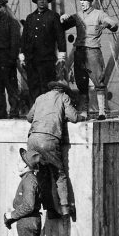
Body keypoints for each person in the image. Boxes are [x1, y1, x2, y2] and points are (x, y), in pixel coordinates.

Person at [26, 80, 84, 218]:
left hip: (32, 139)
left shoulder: (40, 98)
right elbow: (73, 117)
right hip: (49, 139)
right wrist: (82, 116)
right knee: (59, 174)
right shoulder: (64, 97)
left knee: (42, 174)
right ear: (63, 90)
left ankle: (50, 210)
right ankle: (64, 208)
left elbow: (29, 118)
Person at [60, 0, 119, 120]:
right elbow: (63, 27)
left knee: (99, 82)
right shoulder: (77, 16)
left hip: (93, 52)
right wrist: (62, 18)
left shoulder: (99, 14)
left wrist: (105, 25)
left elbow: (114, 25)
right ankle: (84, 112)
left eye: (85, 0)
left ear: (91, 1)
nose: (82, 2)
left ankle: (102, 112)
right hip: (79, 52)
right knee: (81, 83)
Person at [20, 0, 67, 104]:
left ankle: (47, 112)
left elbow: (60, 36)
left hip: (47, 59)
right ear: (36, 1)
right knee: (33, 86)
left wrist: (62, 55)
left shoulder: (53, 16)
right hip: (32, 59)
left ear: (47, 1)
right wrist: (22, 54)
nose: (42, 1)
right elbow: (24, 38)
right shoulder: (30, 18)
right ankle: (35, 111)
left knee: (46, 86)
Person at [3, 148, 45, 236]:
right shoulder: (29, 179)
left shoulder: (29, 180)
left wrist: (11, 215)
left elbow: (29, 205)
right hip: (29, 221)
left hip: (27, 223)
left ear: (27, 166)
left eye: (21, 162)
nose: (18, 163)